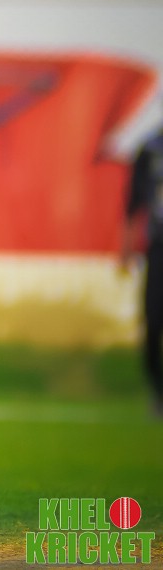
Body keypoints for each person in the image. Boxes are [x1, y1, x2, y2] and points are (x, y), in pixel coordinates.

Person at [123, 122, 163, 419]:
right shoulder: (151, 148)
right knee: (153, 320)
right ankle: (158, 393)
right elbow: (133, 201)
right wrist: (126, 246)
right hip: (158, 248)